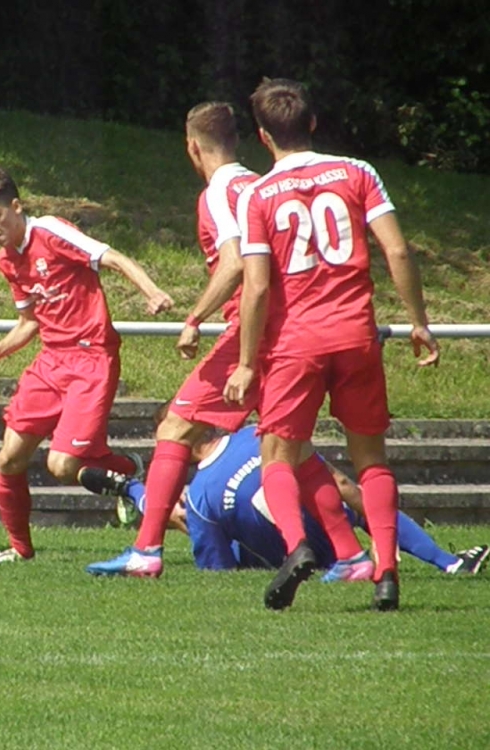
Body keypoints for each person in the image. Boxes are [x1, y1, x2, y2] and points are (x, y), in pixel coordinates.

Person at [87, 101, 365, 580]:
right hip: (295, 331)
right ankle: (353, 556)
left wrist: (195, 317)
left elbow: (236, 264)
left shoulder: (218, 192)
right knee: (296, 453)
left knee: (175, 428)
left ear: (192, 147)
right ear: (241, 139)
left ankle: (146, 551)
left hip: (251, 335)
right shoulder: (261, 184)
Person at [223, 79, 440, 611]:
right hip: (356, 335)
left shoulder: (256, 195)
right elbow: (397, 251)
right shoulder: (357, 172)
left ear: (262, 136)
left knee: (278, 453)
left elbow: (256, 286)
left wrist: (247, 362)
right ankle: (386, 570)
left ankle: (297, 545)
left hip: (297, 342)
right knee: (371, 460)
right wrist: (419, 322)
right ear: (313, 123)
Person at [0, 164, 174, 563]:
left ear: (16, 207)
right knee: (9, 458)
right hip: (51, 362)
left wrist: (152, 291)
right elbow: (29, 322)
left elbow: (113, 258)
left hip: (91, 361)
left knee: (62, 465)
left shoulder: (51, 232)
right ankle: (20, 550)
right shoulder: (8, 260)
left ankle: (129, 469)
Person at [81, 425, 490, 577]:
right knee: (359, 503)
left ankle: (132, 490)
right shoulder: (260, 432)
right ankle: (450, 563)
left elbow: (218, 570)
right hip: (336, 532)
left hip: (289, 556)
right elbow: (339, 482)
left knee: (185, 514)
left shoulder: (202, 492)